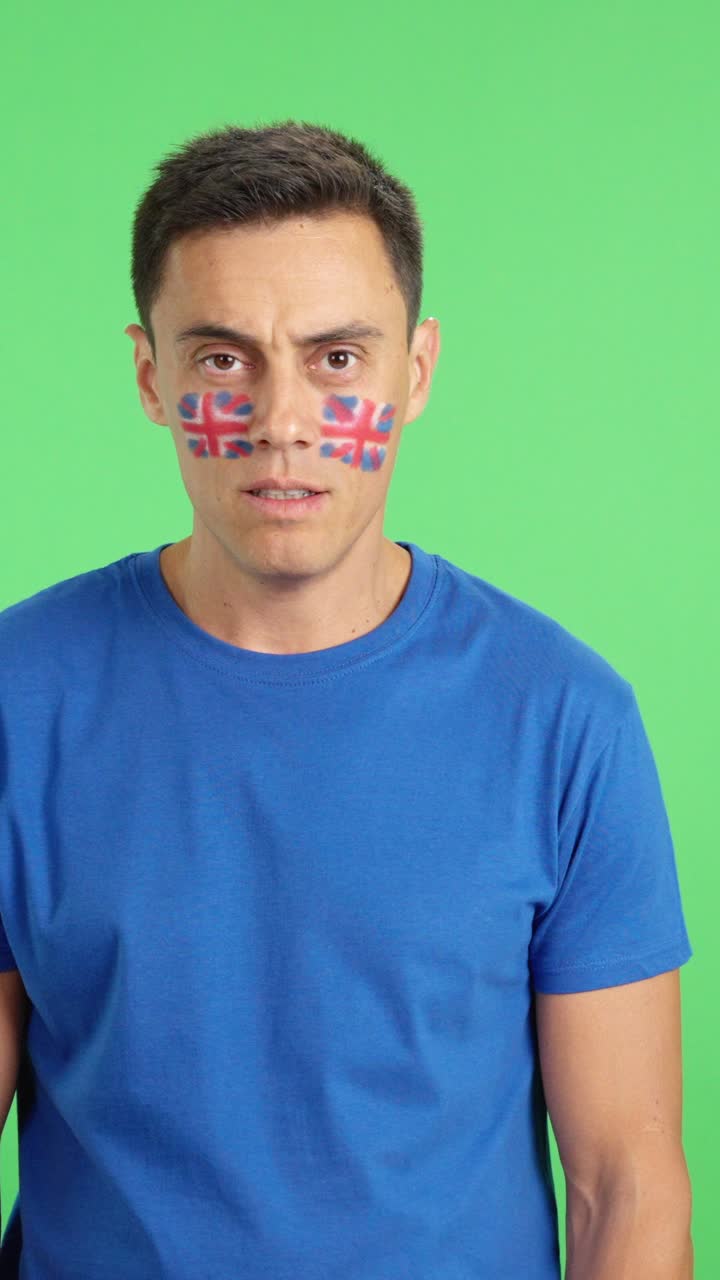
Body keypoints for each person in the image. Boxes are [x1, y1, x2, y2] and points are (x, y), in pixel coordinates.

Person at [0, 120, 694, 1279]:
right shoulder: (20, 699)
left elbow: (625, 1182)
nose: (282, 419)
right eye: (222, 357)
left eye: (336, 358)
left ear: (413, 372)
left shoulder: (565, 719)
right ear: (149, 375)